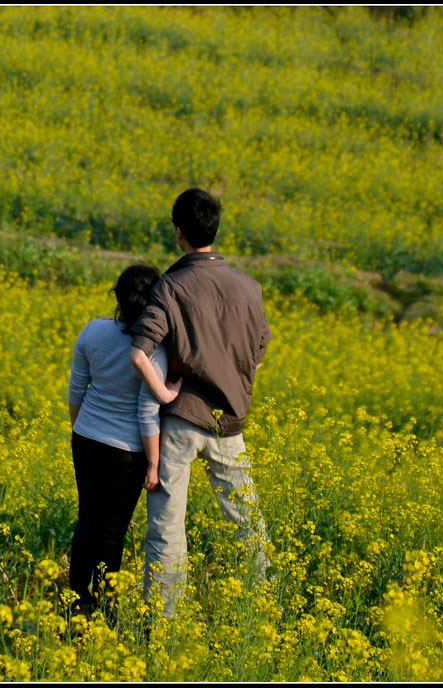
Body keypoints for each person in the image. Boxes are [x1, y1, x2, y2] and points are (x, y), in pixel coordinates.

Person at [129, 188, 272, 619]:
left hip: (181, 423)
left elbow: (139, 351)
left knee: (167, 528)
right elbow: (259, 354)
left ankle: (165, 620)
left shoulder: (171, 287)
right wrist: (232, 380)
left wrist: (165, 391)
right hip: (229, 424)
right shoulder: (249, 288)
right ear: (216, 229)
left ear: (178, 233)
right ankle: (261, 601)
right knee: (247, 521)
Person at [67, 265, 181, 620]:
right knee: (112, 531)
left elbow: (76, 390)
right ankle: (104, 612)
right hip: (127, 452)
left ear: (116, 296)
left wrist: (82, 429)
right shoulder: (155, 350)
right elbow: (147, 412)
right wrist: (152, 463)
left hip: (86, 439)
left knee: (87, 520)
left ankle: (76, 603)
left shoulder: (93, 331)